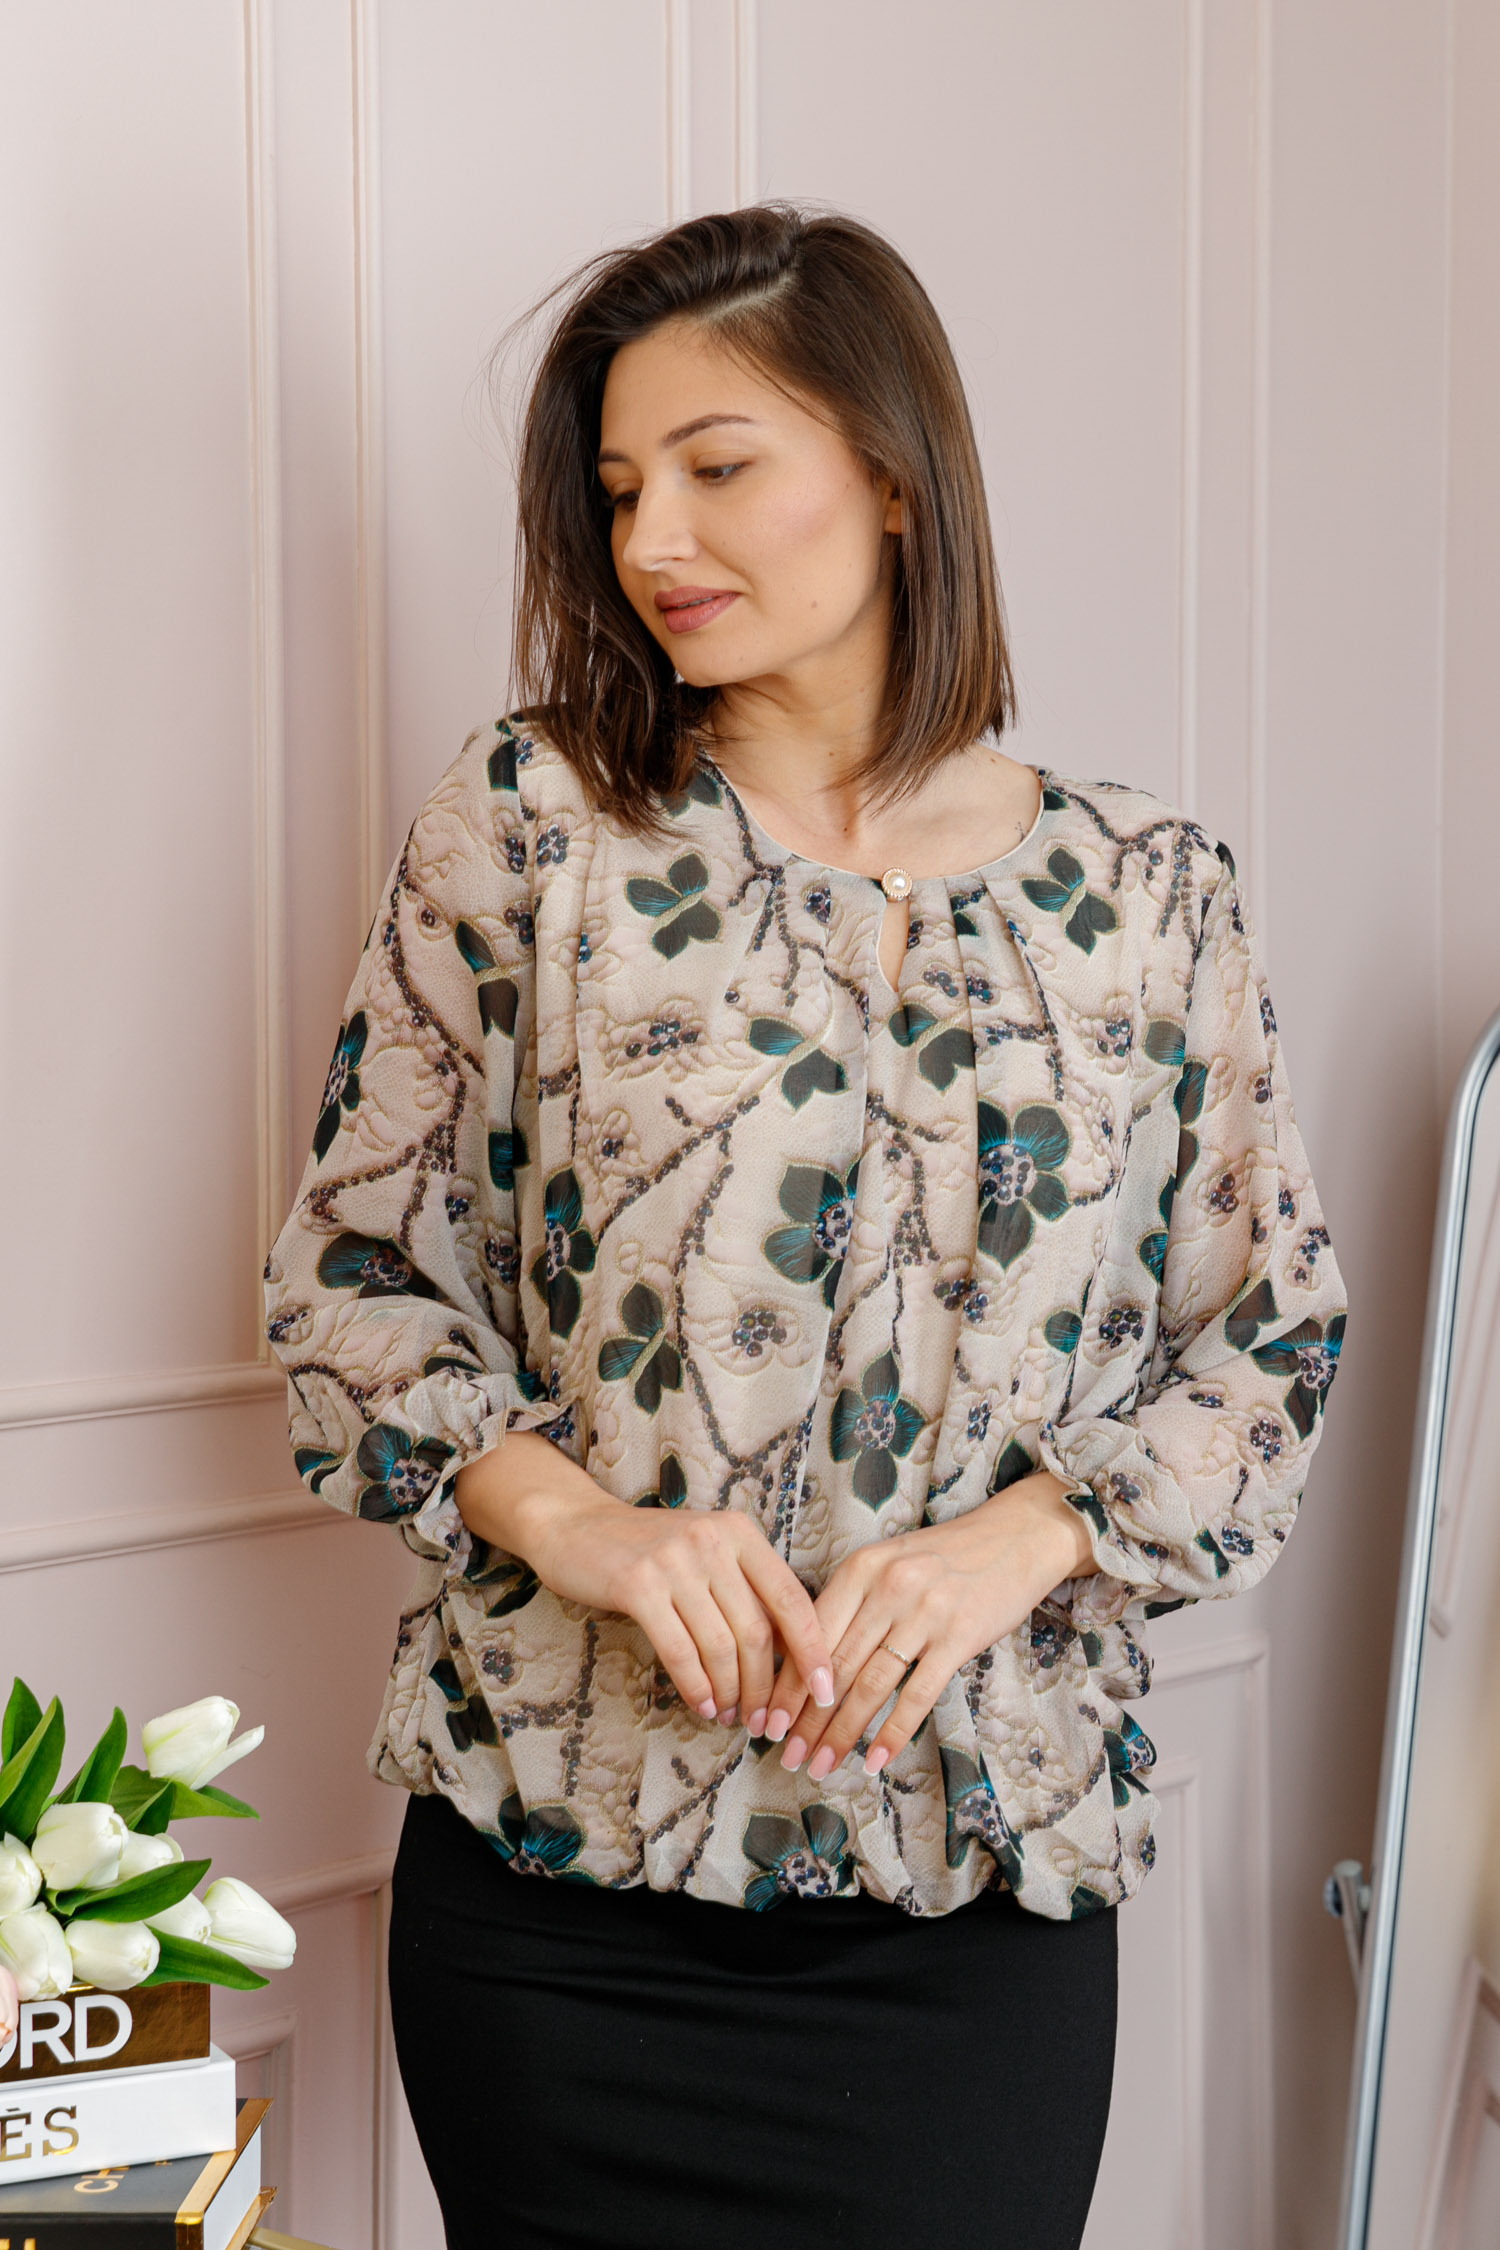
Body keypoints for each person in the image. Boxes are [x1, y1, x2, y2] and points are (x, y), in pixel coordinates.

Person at [264, 202, 1347, 2250]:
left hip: (974, 1894)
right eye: (617, 489)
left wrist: (1022, 1539)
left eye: (716, 464)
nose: (651, 537)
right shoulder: (530, 826)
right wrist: (590, 1527)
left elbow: (1267, 1344)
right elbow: (347, 1279)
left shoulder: (1154, 896)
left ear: (894, 476)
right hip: (561, 1892)